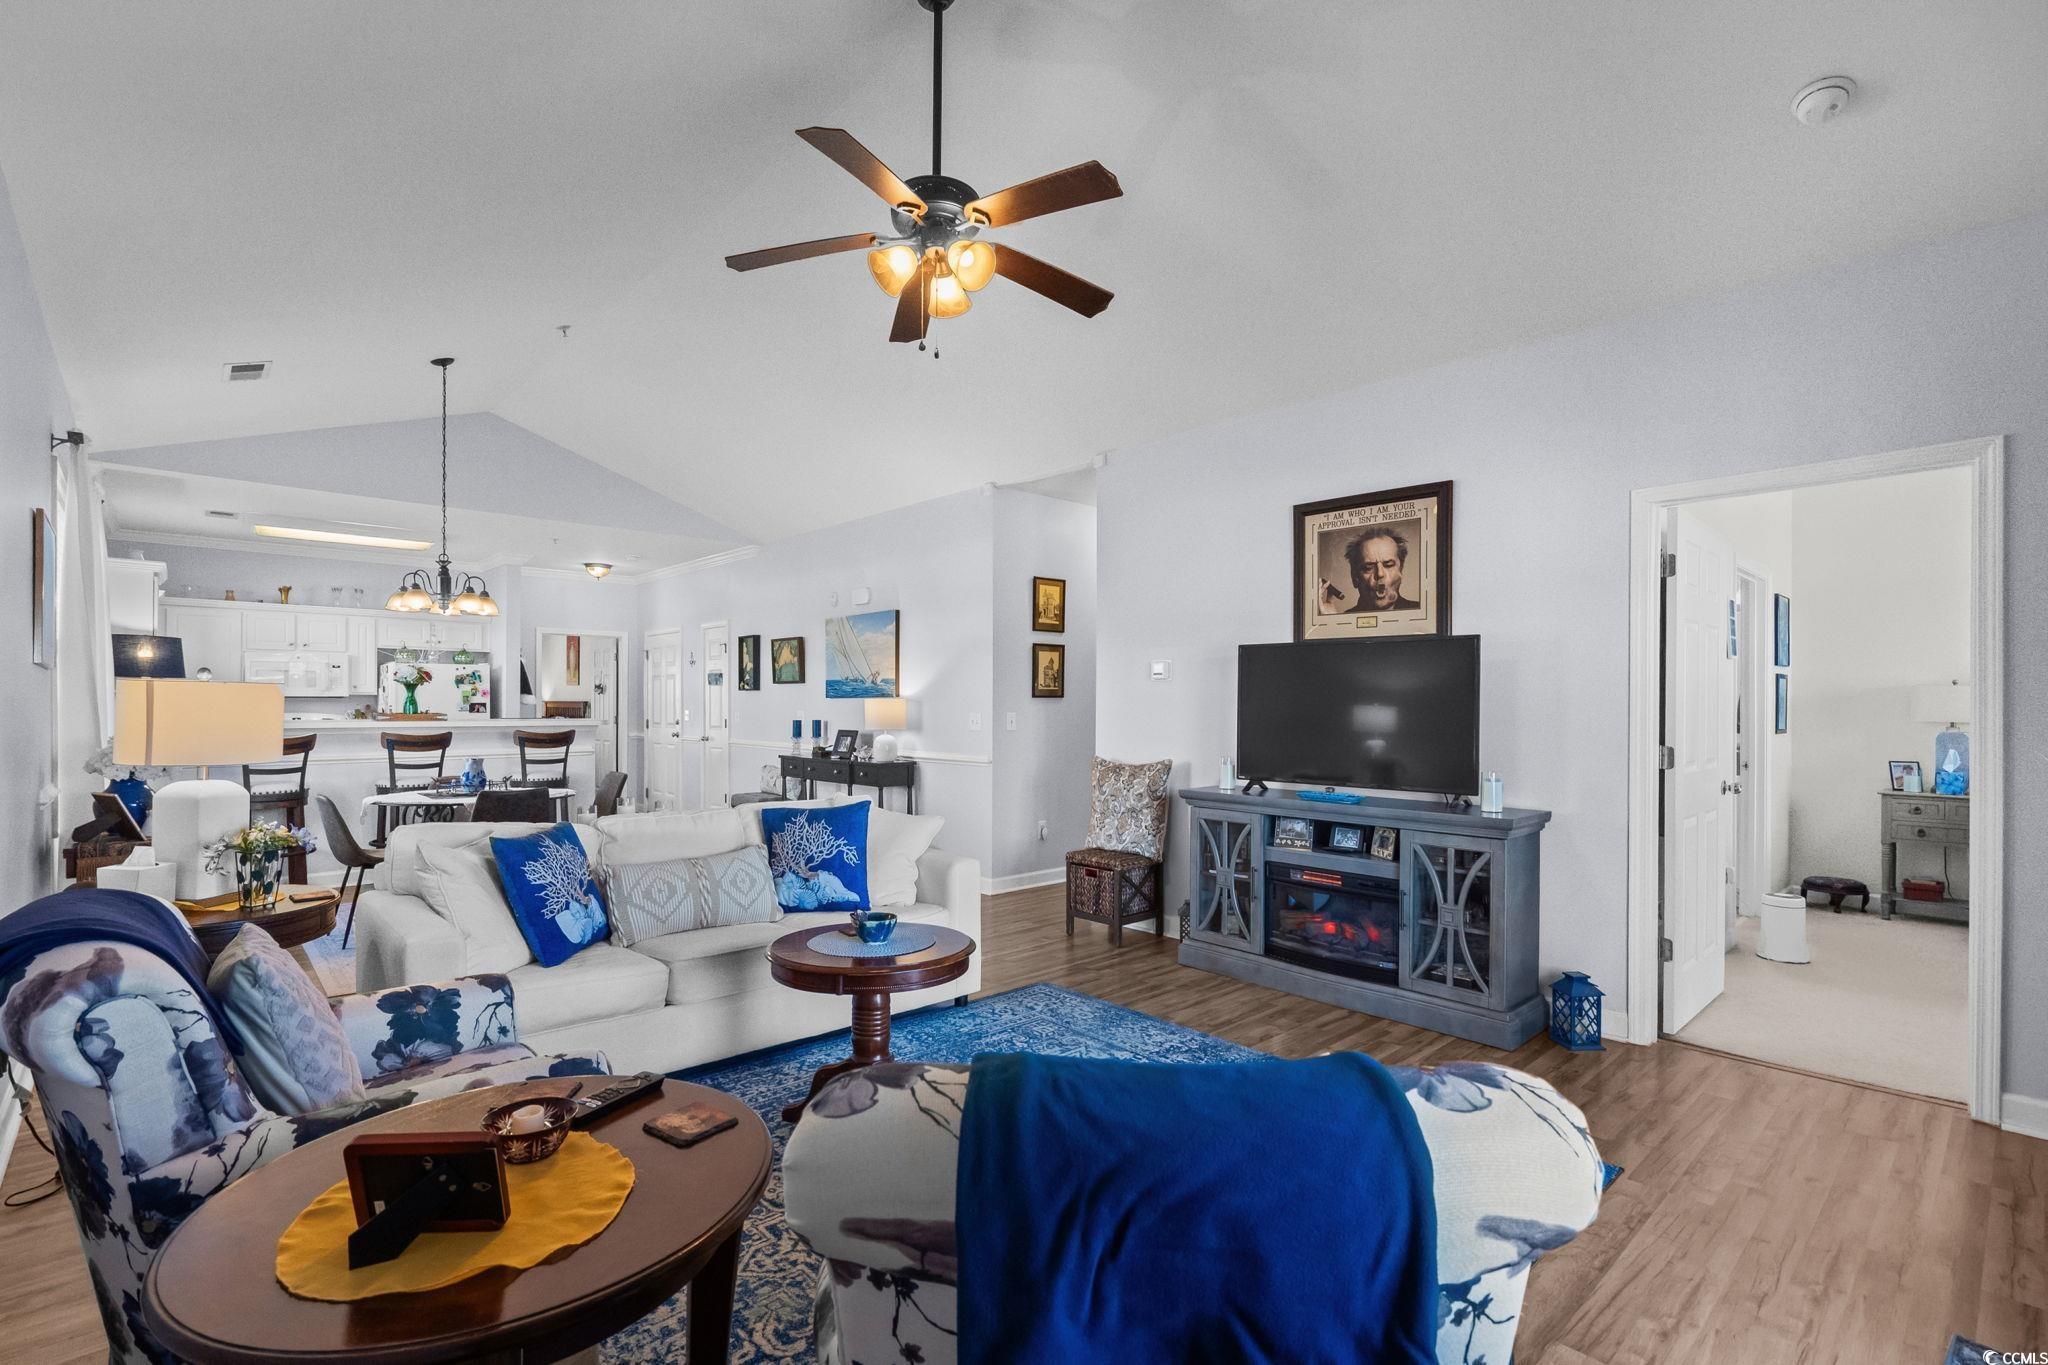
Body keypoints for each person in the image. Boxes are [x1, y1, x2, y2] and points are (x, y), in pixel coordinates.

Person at [1341, 526, 1420, 612]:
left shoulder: (1420, 610)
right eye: (1368, 568)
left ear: (1400, 569)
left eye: (1388, 565)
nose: (1380, 574)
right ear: (1354, 576)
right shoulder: (1343, 618)